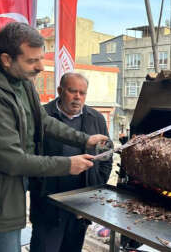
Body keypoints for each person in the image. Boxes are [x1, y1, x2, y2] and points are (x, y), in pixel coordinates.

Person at [0, 22, 108, 252]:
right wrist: (68, 164)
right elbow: (11, 159)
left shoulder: (22, 83)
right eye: (32, 60)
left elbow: (44, 121)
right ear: (7, 59)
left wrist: (84, 139)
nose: (40, 67)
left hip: (11, 194)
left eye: (41, 58)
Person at [29, 73, 113, 252]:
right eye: (72, 91)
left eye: (82, 93)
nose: (77, 97)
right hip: (48, 207)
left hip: (80, 209)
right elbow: (28, 158)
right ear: (59, 91)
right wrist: (38, 188)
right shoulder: (42, 116)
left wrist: (95, 188)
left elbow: (106, 157)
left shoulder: (96, 118)